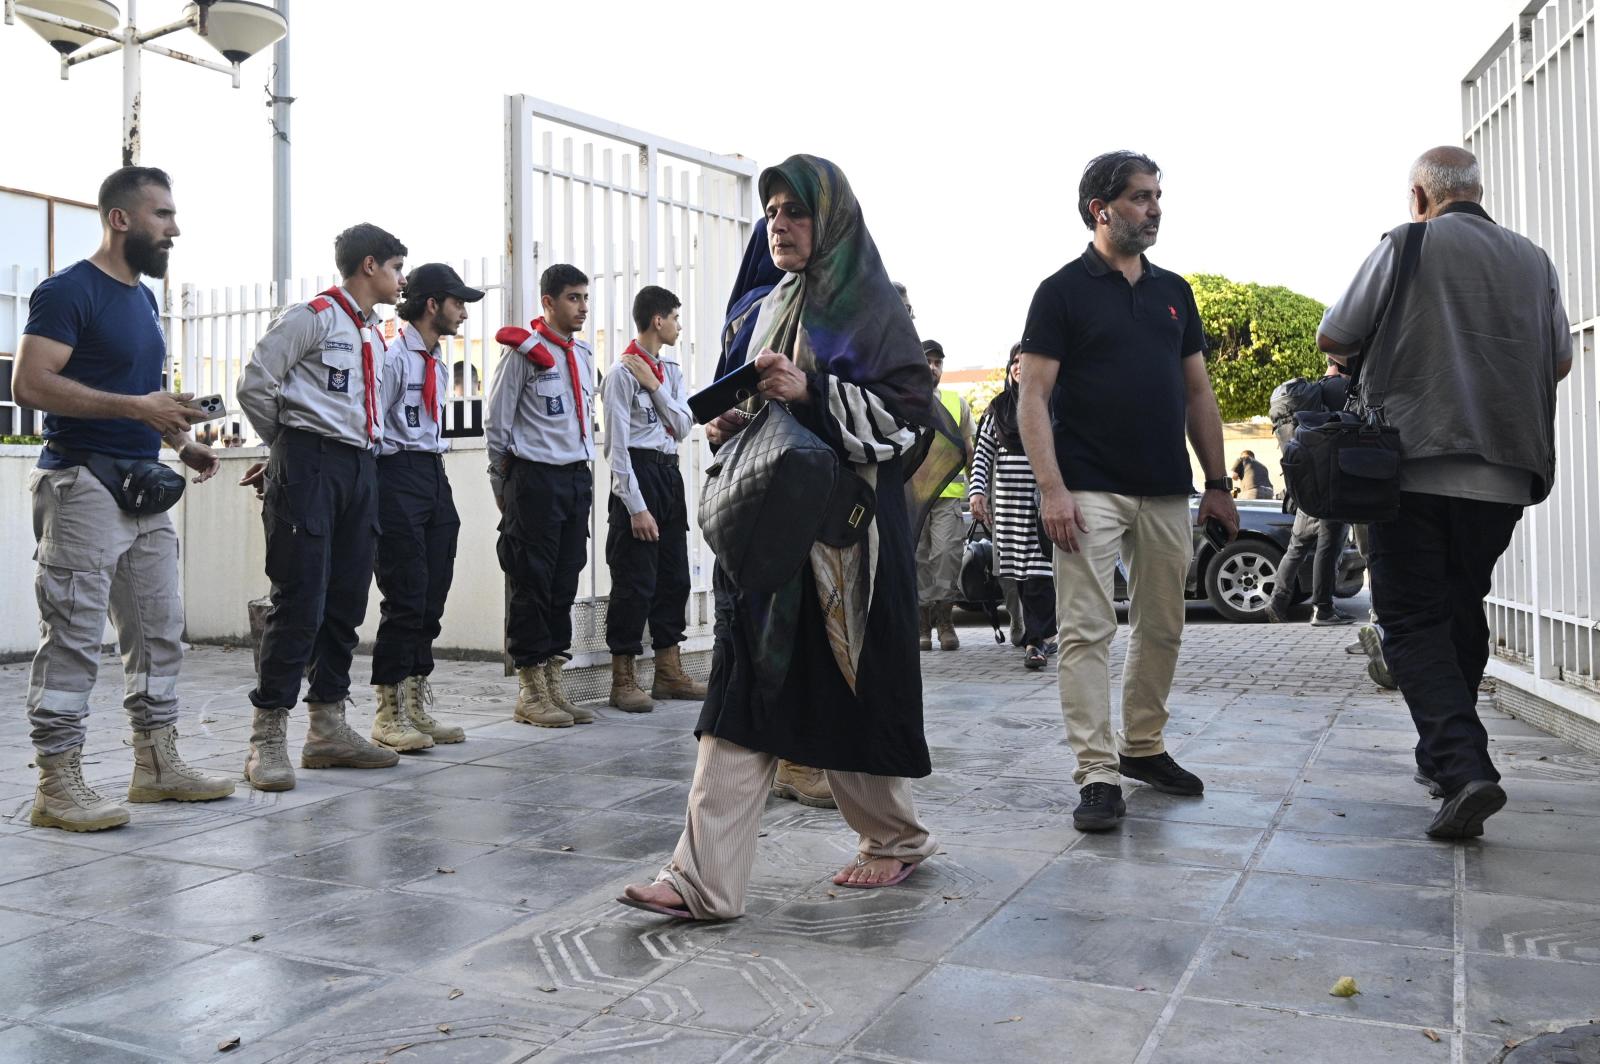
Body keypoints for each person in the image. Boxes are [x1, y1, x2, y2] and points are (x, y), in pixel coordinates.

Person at [619, 154, 945, 920]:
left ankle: (894, 838)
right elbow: (755, 408)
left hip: (845, 552)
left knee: (846, 698)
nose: (779, 224)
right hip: (772, 542)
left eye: (795, 212)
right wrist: (734, 421)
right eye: (770, 212)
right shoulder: (767, 306)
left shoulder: (871, 312)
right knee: (743, 692)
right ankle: (701, 879)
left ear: (828, 220)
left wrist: (816, 392)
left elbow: (909, 430)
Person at [1319, 146, 1571, 840]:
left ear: (1420, 197)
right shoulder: (1534, 259)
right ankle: (1442, 763)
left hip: (1414, 464)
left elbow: (1334, 335)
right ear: (1476, 191)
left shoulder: (1406, 244)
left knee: (1408, 620)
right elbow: (1559, 361)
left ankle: (1465, 769)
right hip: (1508, 472)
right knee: (1459, 608)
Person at [1017, 150, 1239, 832]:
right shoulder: (1061, 292)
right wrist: (1052, 491)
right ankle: (1096, 772)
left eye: (1156, 196)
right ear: (1101, 209)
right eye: (1141, 197)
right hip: (1087, 489)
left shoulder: (1176, 290)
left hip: (1166, 489)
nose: (1155, 208)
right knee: (1087, 630)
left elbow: (1198, 392)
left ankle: (1142, 747)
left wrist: (1219, 483)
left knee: (1164, 626)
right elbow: (1032, 396)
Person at [14, 165, 234, 830]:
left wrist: (176, 440)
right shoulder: (67, 292)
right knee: (75, 637)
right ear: (121, 219)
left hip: (142, 487)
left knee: (159, 632)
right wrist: (136, 407)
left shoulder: (141, 299)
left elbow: (129, 402)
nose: (174, 229)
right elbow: (30, 383)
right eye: (162, 215)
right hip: (80, 485)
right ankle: (57, 784)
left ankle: (157, 766)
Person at [235, 223, 410, 790]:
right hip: (309, 465)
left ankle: (328, 727)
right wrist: (286, 447)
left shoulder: (373, 333)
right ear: (368, 266)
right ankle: (267, 736)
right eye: (395, 268)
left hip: (361, 469)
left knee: (346, 599)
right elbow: (257, 384)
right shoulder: (312, 317)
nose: (400, 280)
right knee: (300, 599)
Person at [368, 263, 483, 749]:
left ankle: (415, 701)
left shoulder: (436, 359)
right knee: (406, 592)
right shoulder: (394, 358)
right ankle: (388, 710)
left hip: (433, 474)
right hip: (396, 475)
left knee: (433, 590)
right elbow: (374, 423)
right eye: (457, 303)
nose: (462, 313)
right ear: (432, 304)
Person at [487, 263, 597, 728]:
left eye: (585, 298)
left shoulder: (585, 354)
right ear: (548, 303)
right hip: (534, 479)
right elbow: (497, 423)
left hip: (575, 478)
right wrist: (504, 487)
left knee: (564, 579)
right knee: (531, 581)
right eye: (573, 298)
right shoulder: (523, 356)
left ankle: (555, 680)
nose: (583, 307)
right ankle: (530, 689)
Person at [602, 285, 704, 712]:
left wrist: (655, 385)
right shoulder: (621, 373)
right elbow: (617, 448)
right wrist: (635, 506)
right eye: (675, 318)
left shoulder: (671, 370)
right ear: (658, 320)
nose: (679, 325)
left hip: (668, 474)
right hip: (639, 475)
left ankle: (668, 672)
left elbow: (683, 426)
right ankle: (622, 678)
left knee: (674, 576)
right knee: (634, 582)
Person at [969, 344, 1055, 669]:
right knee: (1016, 577)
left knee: (1038, 574)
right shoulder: (998, 410)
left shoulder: (1049, 405)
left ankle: (1036, 643)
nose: (1020, 366)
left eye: (1026, 361)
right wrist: (978, 493)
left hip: (1042, 508)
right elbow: (982, 456)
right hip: (1008, 511)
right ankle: (1036, 635)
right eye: (1015, 362)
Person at [1267, 359, 1353, 626]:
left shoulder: (1313, 392)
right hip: (1329, 483)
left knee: (1297, 546)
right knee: (1330, 546)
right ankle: (1323, 609)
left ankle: (1277, 601)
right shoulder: (1342, 390)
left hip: (1304, 484)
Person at [915, 339, 975, 651]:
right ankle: (923, 625)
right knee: (919, 559)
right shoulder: (902, 398)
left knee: (946, 558)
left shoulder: (956, 402)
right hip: (912, 498)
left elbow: (969, 451)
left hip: (949, 496)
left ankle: (945, 622)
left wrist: (979, 494)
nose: (933, 367)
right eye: (927, 361)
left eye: (938, 362)